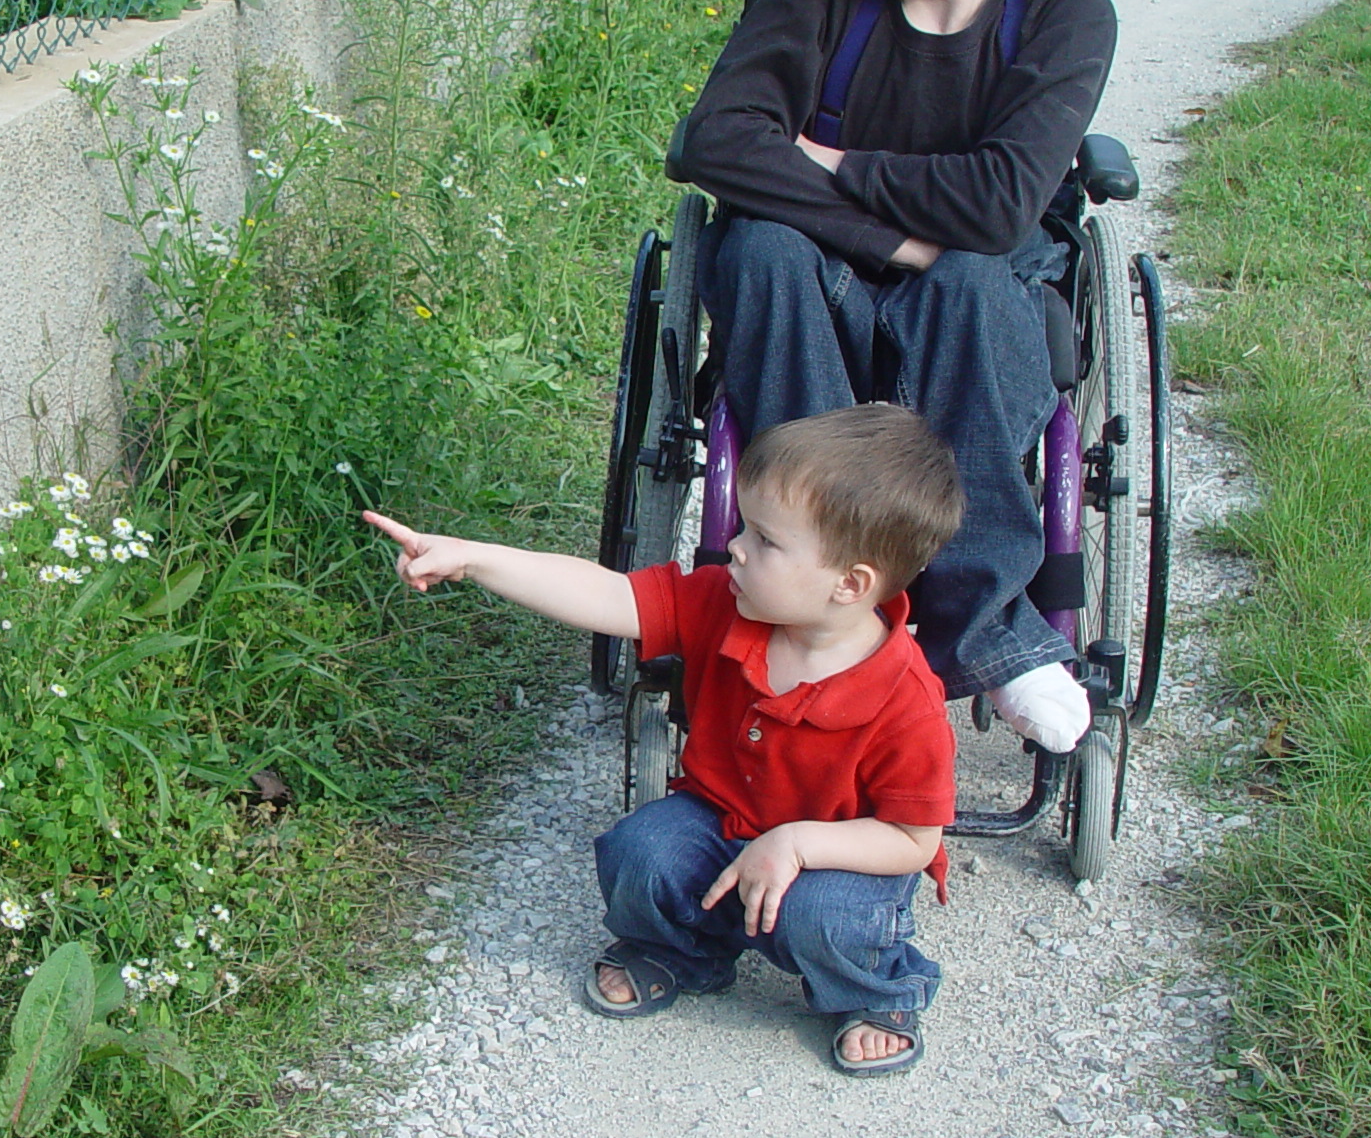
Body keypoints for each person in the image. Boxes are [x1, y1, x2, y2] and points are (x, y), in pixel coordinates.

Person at [677, 0, 1117, 755]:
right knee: (765, 252)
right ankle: (812, 608)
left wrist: (831, 167)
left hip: (977, 317)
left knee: (967, 275)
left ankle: (987, 631)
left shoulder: (1063, 19)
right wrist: (900, 237)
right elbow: (717, 143)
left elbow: (1005, 203)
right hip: (815, 301)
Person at [364, 404, 964, 1076]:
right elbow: (607, 595)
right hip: (723, 816)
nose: (734, 546)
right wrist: (474, 558)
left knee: (824, 915)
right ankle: (683, 952)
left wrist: (796, 844)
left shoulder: (903, 699)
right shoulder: (725, 603)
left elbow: (915, 842)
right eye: (744, 526)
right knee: (641, 850)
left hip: (837, 857)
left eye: (765, 540)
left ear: (849, 585)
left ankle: (878, 989)